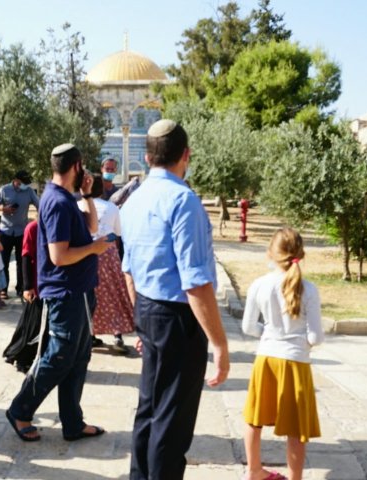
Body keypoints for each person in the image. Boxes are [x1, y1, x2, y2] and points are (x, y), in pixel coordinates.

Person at [120, 120, 229, 479]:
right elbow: (195, 283)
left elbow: (129, 270)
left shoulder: (134, 200)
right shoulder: (183, 200)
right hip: (177, 319)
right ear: (186, 155)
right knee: (172, 421)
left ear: (148, 156)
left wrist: (139, 319)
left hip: (149, 309)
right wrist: (219, 344)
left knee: (150, 410)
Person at [5, 143, 111, 442]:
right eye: (84, 167)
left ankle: (73, 423)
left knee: (78, 357)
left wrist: (89, 196)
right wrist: (94, 248)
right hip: (66, 294)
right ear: (76, 166)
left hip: (79, 291)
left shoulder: (68, 198)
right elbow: (59, 256)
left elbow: (91, 226)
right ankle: (20, 410)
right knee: (58, 356)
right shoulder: (57, 202)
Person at [241, 228, 324, 480]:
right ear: (301, 254)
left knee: (254, 418)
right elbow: (315, 336)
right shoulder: (308, 289)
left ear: (271, 253)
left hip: (266, 358)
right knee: (296, 428)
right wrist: (303, 343)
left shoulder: (259, 284)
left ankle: (254, 470)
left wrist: (267, 333)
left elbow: (247, 327)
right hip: (296, 361)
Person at [79, 174, 134, 353]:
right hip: (107, 254)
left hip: (85, 254)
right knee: (113, 293)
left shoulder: (78, 206)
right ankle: (117, 334)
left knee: (89, 294)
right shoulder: (111, 208)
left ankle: (90, 334)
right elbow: (117, 233)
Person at [2, 219, 45, 372]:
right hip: (36, 285)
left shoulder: (55, 225)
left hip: (48, 285)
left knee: (36, 324)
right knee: (33, 325)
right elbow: (25, 256)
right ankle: (23, 359)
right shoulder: (33, 228)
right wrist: (27, 287)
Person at [0, 170, 40, 300]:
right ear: (16, 180)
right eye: (23, 182)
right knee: (3, 262)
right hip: (5, 231)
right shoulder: (4, 189)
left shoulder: (29, 191)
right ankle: (3, 289)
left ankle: (21, 288)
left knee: (22, 262)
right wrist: (3, 209)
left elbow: (39, 205)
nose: (25, 185)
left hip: (21, 232)